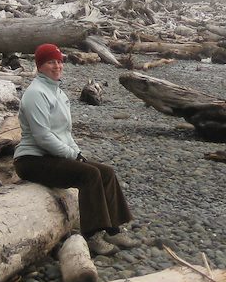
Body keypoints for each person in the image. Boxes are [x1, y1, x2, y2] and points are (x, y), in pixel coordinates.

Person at [13, 43, 138, 256]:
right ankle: (93, 236)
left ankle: (113, 229)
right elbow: (42, 137)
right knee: (89, 175)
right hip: (32, 160)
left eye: (59, 61)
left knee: (105, 172)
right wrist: (72, 155)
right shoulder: (36, 93)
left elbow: (65, 132)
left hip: (51, 156)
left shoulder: (58, 92)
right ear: (40, 65)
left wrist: (78, 153)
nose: (57, 65)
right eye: (51, 62)